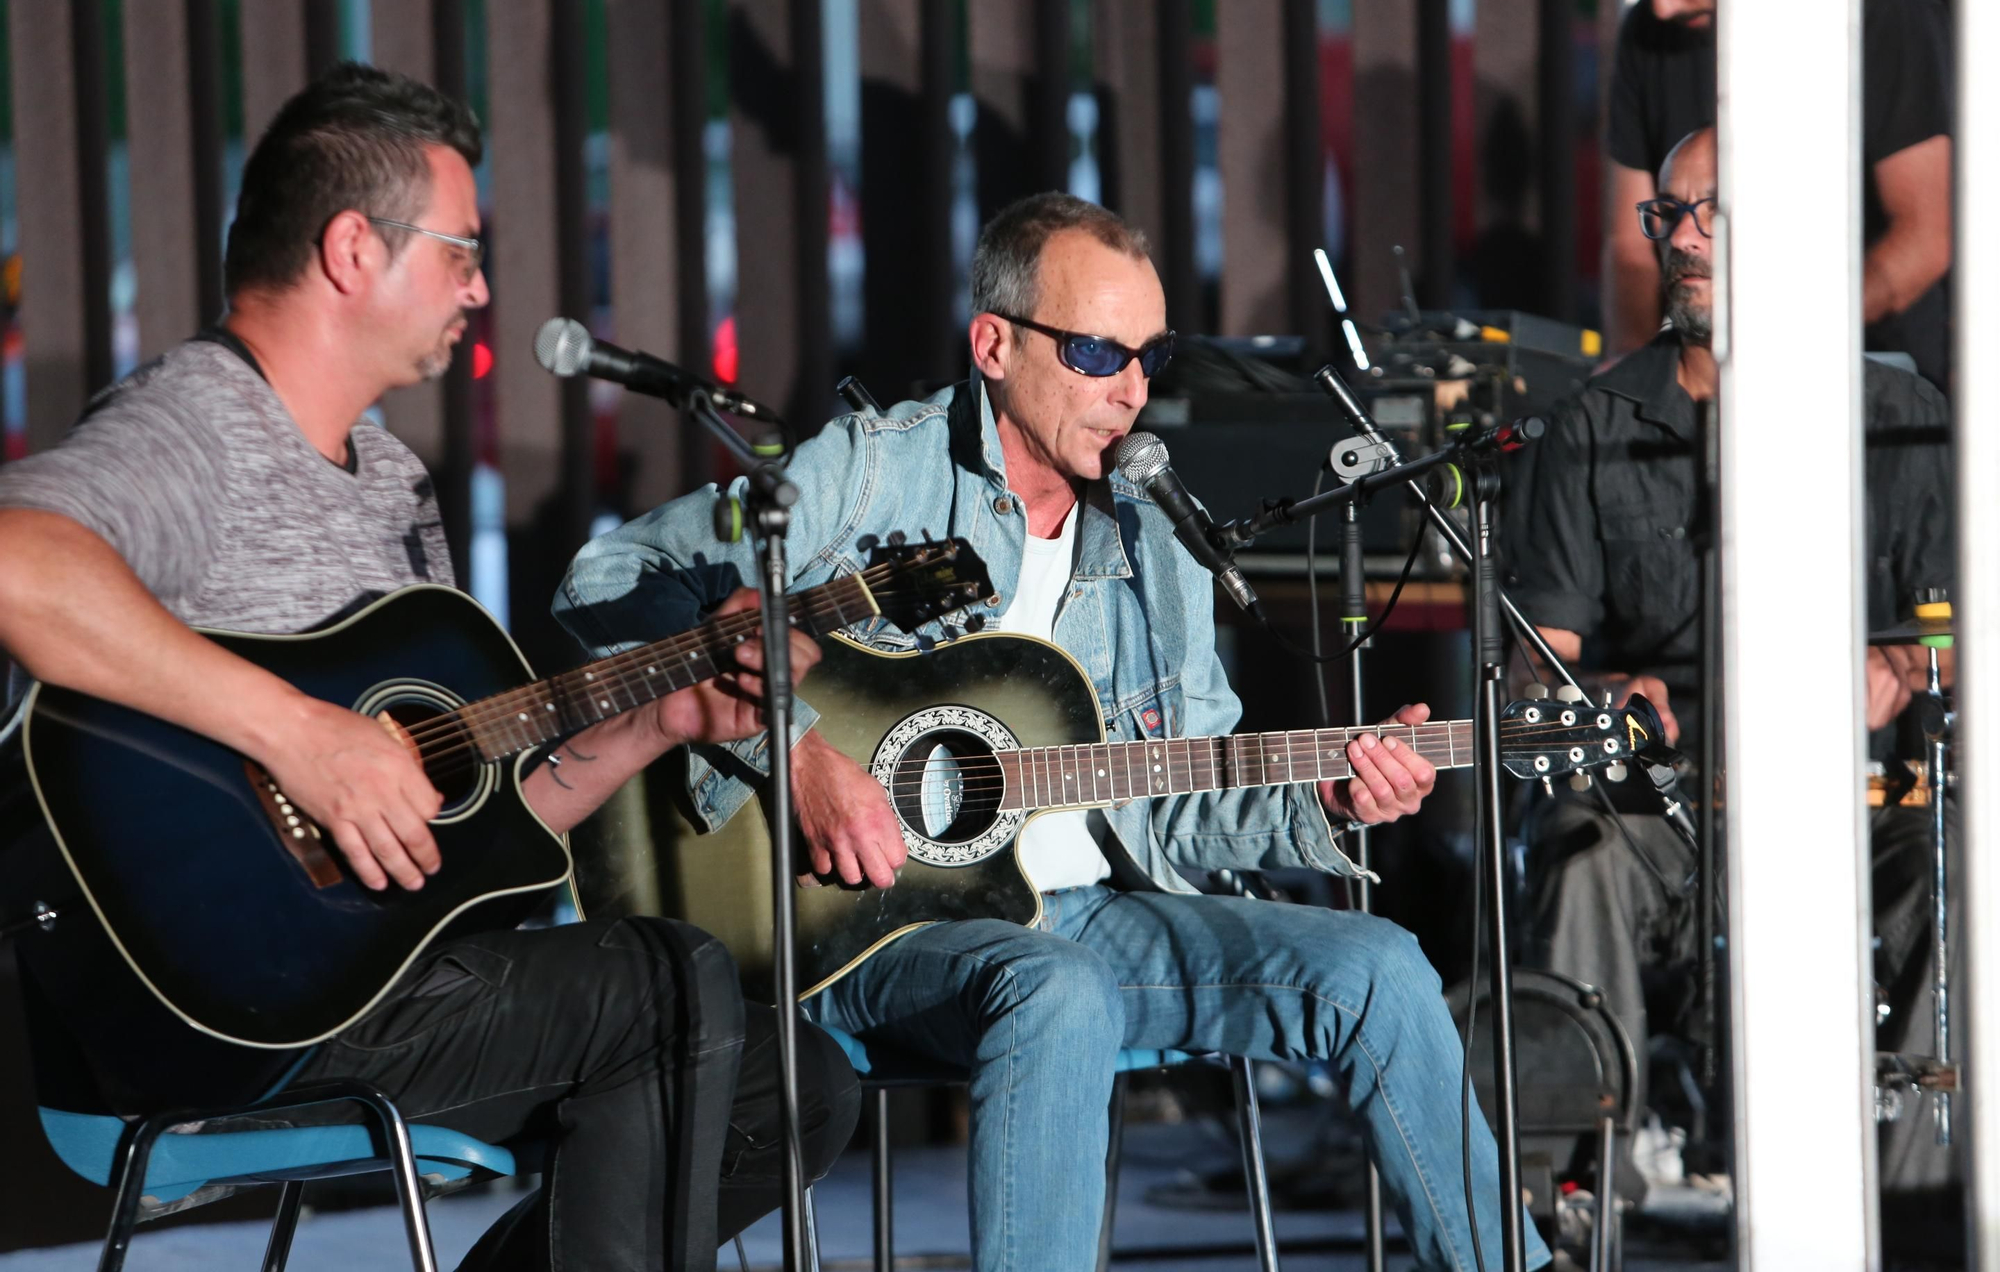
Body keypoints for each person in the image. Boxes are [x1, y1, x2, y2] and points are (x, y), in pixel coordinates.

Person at [556, 192, 1552, 1272]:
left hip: (1087, 919)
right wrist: (795, 755)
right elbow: (609, 580)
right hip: (851, 923)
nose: (1130, 390)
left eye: (1148, 356)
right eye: (1094, 352)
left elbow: (1185, 801)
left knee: (1380, 968)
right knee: (1052, 988)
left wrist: (1329, 798)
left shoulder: (1154, 543)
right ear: (994, 344)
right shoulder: (871, 469)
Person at [0, 63, 857, 1269]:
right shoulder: (195, 423)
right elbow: (16, 558)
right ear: (354, 249)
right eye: (460, 251)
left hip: (386, 977)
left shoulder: (392, 479)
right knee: (665, 982)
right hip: (223, 1010)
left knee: (803, 1085)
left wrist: (659, 721)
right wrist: (300, 734)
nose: (481, 285)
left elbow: (470, 835)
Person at [1514, 126, 1953, 1198]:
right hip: (1662, 819)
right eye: (1668, 213)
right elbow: (1536, 671)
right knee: (1574, 852)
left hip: (1853, 819)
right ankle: (1573, 1206)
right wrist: (1600, 693)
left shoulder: (1900, 421)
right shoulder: (1592, 425)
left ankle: (1904, 1215)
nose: (1683, 238)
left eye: (1713, 211)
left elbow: (1955, 635)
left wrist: (1902, 665)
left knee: (1956, 882)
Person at [1601, 0, 1953, 386]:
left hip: (1872, 377)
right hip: (1702, 382)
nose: (1664, 5)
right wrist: (1632, 371)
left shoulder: (1886, 9)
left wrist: (1782, 345)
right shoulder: (1646, 32)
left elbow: (1925, 234)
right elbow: (1631, 245)